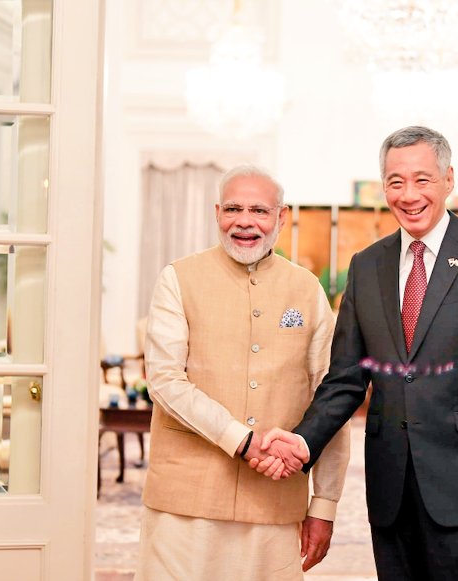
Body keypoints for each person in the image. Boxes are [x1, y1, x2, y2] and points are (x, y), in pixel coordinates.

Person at [253, 126, 458, 580]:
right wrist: (303, 441)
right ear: (383, 186)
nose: (409, 194)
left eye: (422, 179)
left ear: (448, 179)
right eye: (396, 181)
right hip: (391, 486)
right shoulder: (366, 265)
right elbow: (346, 378)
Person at [135, 165, 350, 580]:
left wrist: (324, 505)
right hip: (185, 498)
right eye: (233, 208)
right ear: (217, 213)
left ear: (281, 218)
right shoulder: (178, 279)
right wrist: (242, 440)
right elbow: (164, 380)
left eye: (259, 210)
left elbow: (331, 396)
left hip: (275, 499)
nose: (245, 221)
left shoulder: (307, 290)